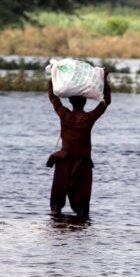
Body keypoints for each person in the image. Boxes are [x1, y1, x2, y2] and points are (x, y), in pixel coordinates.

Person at [46, 70, 112, 218]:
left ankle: (58, 226)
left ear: (70, 102)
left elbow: (53, 97)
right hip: (82, 164)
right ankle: (81, 231)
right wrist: (105, 79)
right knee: (82, 205)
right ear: (85, 102)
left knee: (56, 203)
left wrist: (53, 75)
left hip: (64, 162)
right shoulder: (89, 118)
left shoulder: (65, 115)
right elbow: (106, 102)